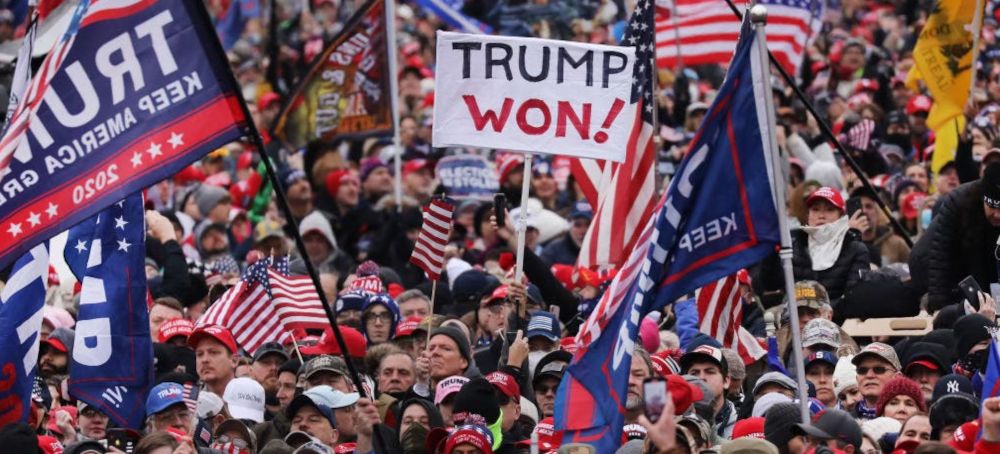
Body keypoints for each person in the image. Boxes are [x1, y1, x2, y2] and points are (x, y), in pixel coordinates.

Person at [910, 162, 1000, 312]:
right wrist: (939, 306)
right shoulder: (959, 202)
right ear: (983, 198)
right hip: (928, 263)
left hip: (977, 252)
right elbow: (940, 255)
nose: (997, 215)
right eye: (992, 207)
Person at [679, 336, 735, 439]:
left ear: (726, 381)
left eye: (710, 372)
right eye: (694, 373)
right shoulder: (672, 423)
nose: (701, 378)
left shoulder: (740, 424)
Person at [852, 343, 903, 421]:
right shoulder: (842, 423)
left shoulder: (912, 422)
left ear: (898, 378)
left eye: (879, 370)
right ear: (857, 379)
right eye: (862, 370)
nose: (869, 375)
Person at [188, 325, 239, 396]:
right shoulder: (190, 400)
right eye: (200, 354)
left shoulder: (252, 395)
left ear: (234, 361)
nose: (204, 360)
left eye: (213, 352)